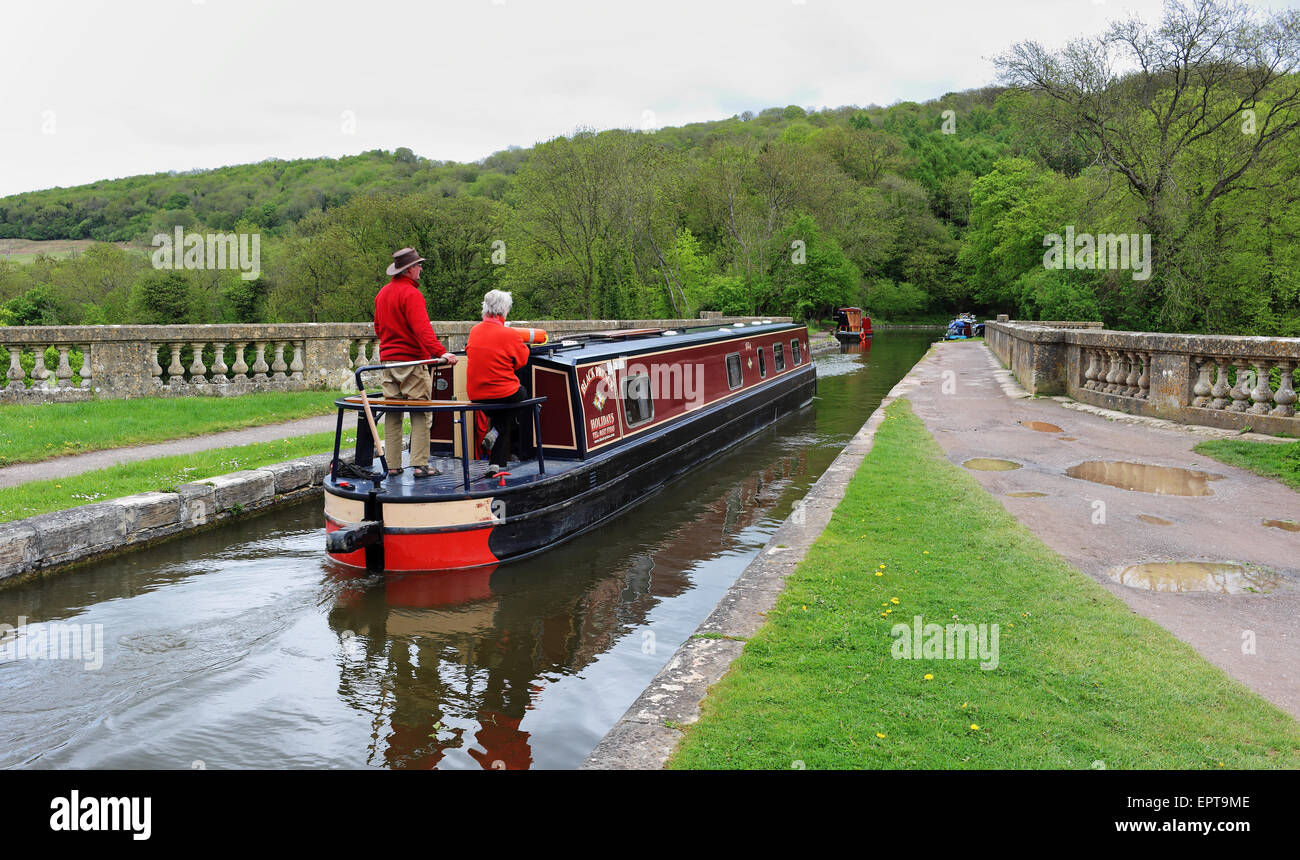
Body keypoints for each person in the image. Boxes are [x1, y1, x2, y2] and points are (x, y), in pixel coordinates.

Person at [373, 247, 458, 478]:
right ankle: (420, 465)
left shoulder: (382, 294)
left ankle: (392, 465)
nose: (421, 269)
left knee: (393, 414)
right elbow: (422, 330)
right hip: (413, 361)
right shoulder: (412, 295)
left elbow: (379, 329)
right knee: (421, 413)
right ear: (409, 269)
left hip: (388, 363)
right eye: (419, 265)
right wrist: (442, 353)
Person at [466, 289, 532, 477]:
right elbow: (522, 361)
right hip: (504, 392)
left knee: (500, 418)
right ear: (504, 310)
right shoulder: (509, 334)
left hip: (477, 395)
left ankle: (495, 465)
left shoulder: (474, 331)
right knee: (522, 394)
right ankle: (494, 434)